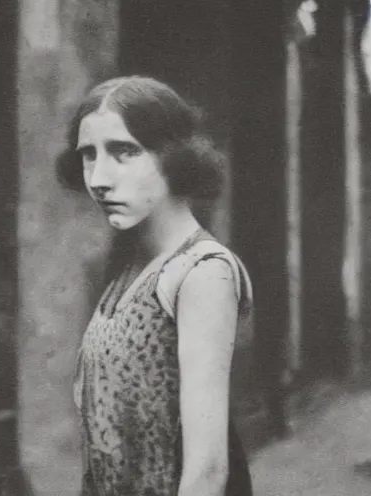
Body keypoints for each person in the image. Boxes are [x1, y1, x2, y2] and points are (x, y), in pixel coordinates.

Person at [58, 75, 253, 495]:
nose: (99, 179)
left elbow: (207, 471)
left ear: (174, 157)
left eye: (124, 152)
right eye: (89, 156)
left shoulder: (202, 273)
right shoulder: (130, 268)